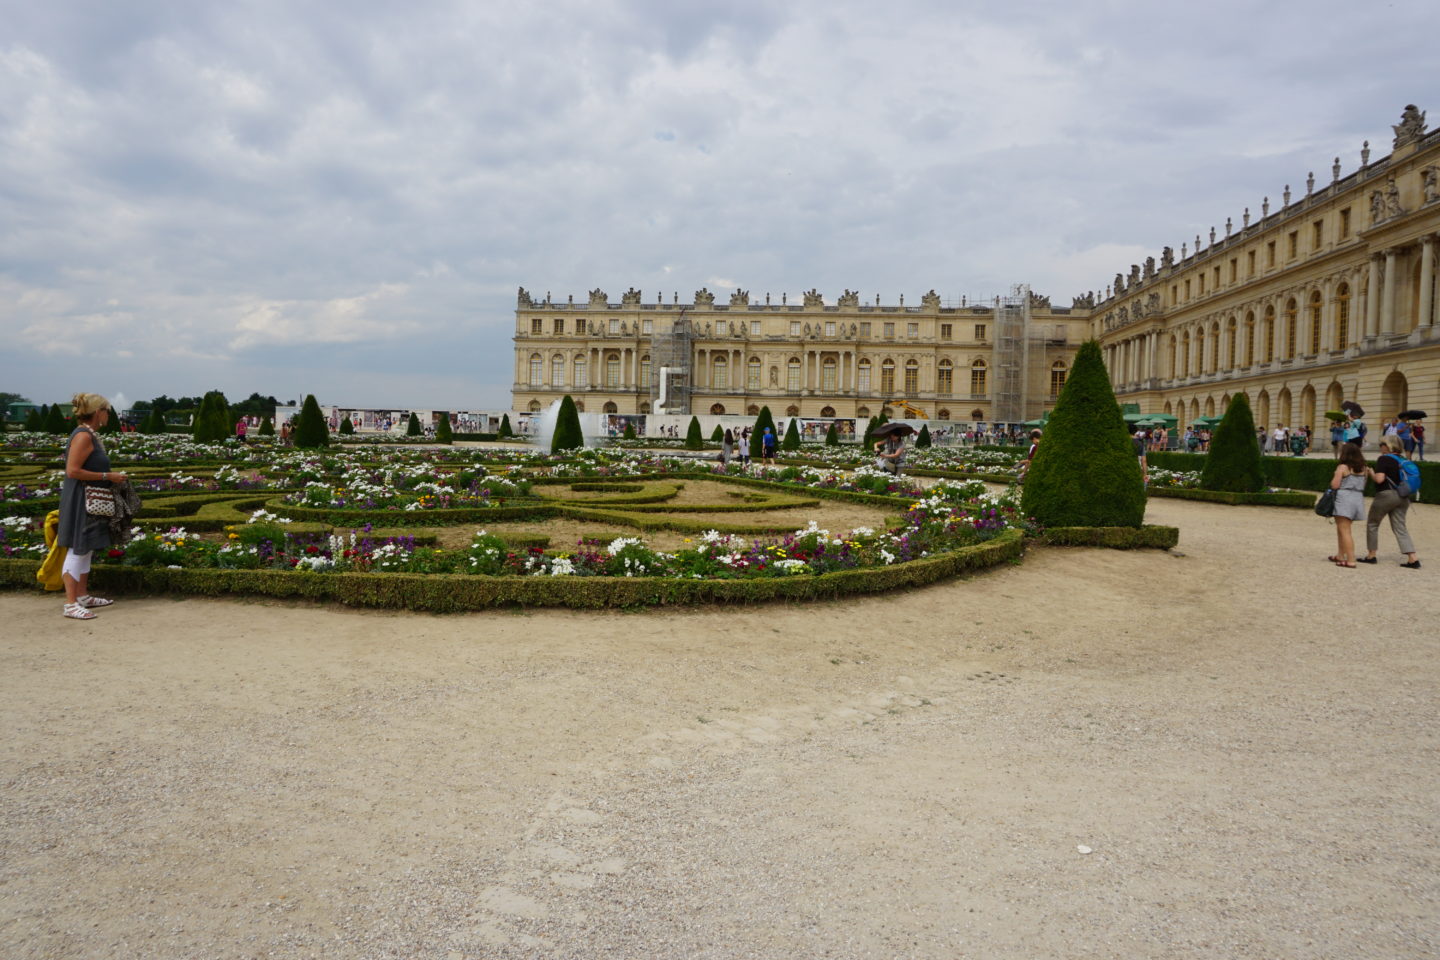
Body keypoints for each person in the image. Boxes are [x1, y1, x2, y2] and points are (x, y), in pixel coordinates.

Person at [56, 393, 127, 619]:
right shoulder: (84, 436)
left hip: (89, 498)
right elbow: (72, 471)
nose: (108, 414)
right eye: (106, 410)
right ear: (98, 412)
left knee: (86, 548)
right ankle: (70, 603)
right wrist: (108, 475)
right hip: (82, 499)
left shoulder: (88, 434)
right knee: (78, 548)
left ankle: (82, 595)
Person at [1360, 435, 1421, 568]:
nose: (1380, 447)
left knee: (1373, 523)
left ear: (1388, 446)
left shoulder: (1384, 459)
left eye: (1382, 444)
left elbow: (1379, 479)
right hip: (1403, 496)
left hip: (1386, 495)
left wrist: (1371, 472)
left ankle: (1371, 555)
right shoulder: (1403, 459)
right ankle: (1413, 558)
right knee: (1400, 527)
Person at [1328, 442, 1368, 567]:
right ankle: (1340, 555)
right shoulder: (1364, 468)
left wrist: (1336, 474)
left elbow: (1334, 485)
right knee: (1342, 528)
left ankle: (1351, 559)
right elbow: (1364, 485)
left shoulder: (1342, 467)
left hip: (1345, 498)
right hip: (1357, 498)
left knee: (1345, 530)